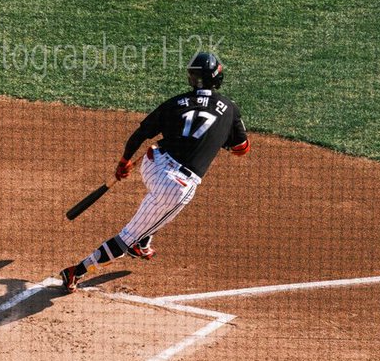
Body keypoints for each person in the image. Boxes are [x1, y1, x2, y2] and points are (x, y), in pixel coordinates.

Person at [59, 52, 250, 292]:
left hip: (151, 162)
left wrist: (124, 162)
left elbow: (140, 134)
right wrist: (220, 139)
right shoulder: (231, 109)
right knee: (125, 239)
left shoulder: (176, 102)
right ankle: (77, 271)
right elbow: (242, 149)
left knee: (159, 212)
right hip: (176, 186)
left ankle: (143, 241)